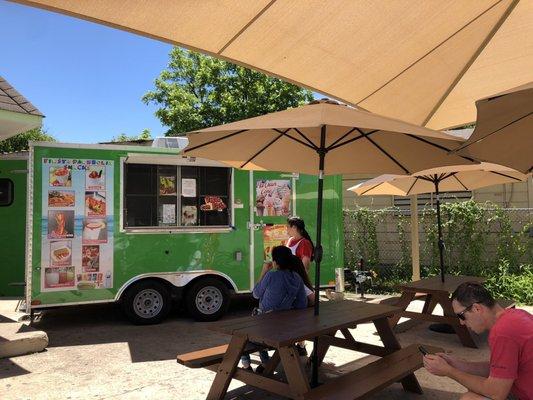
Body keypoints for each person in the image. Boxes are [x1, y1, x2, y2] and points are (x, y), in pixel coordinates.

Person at [423, 282, 532, 400]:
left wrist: (448, 371)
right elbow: (499, 369)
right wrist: (458, 365)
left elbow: (496, 393)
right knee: (474, 388)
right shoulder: (516, 315)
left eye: (461, 315)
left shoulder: (503, 332)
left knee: (470, 398)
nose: (461, 322)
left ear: (477, 308)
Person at [241, 245, 308, 372]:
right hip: (286, 328)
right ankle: (265, 364)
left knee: (242, 336)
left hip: (266, 327)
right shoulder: (297, 278)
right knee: (258, 330)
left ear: (275, 262)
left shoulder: (272, 275)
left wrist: (263, 272)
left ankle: (247, 366)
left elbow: (256, 294)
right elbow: (302, 304)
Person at [286, 217, 315, 355]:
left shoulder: (305, 243)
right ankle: (297, 344)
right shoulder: (291, 241)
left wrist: (295, 279)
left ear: (294, 227)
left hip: (299, 282)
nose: (286, 229)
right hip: (288, 281)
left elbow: (306, 266)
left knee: (300, 314)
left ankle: (301, 345)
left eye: (288, 226)